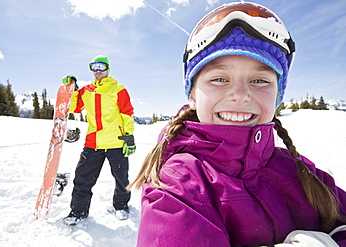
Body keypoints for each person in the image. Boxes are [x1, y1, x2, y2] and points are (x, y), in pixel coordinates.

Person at [129, 2, 346, 246]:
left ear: (277, 96)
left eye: (259, 80)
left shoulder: (301, 171)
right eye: (220, 79)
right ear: (192, 95)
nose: (241, 95)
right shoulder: (178, 185)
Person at [61, 55, 136, 226]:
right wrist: (71, 89)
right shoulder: (87, 90)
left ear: (108, 68)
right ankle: (78, 212)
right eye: (94, 67)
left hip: (116, 142)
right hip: (93, 143)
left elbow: (127, 113)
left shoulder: (118, 88)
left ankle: (121, 205)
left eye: (101, 66)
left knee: (121, 179)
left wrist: (129, 137)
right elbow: (75, 107)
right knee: (82, 179)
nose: (98, 70)